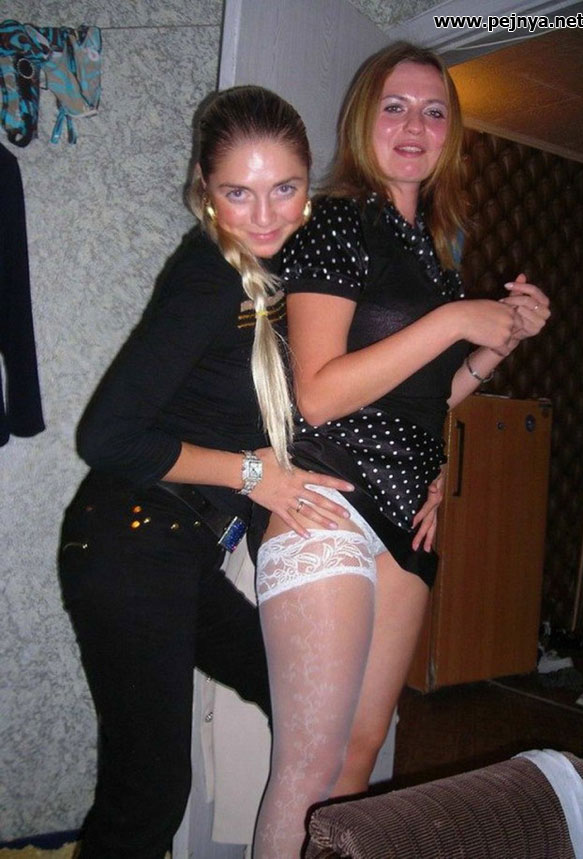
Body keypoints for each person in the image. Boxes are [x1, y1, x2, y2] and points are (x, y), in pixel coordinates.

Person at [252, 42, 551, 858]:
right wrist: (455, 321)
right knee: (309, 771)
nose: (414, 124)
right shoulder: (337, 222)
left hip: (407, 522)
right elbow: (319, 393)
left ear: (451, 134)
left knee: (359, 756)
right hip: (332, 500)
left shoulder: (434, 254)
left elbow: (427, 395)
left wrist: (496, 344)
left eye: (434, 110)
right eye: (395, 105)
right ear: (363, 120)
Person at [58, 85, 355, 859]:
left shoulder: (288, 272)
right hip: (127, 541)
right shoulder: (210, 273)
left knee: (295, 696)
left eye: (284, 188)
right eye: (238, 192)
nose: (264, 214)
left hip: (177, 550)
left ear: (309, 183)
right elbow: (106, 434)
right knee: (152, 788)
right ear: (204, 187)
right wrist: (256, 475)